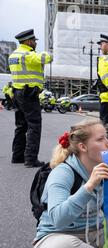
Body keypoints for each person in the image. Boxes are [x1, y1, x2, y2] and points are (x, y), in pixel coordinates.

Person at [32, 119, 108, 248]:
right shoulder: (62, 172)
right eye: (100, 139)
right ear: (83, 147)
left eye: (106, 138)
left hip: (96, 235)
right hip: (57, 238)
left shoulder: (107, 168)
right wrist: (89, 186)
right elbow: (59, 220)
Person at [9, 29, 53, 167]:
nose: (35, 44)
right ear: (28, 41)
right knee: (34, 125)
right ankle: (30, 159)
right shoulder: (27, 54)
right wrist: (47, 51)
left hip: (17, 93)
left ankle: (17, 156)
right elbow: (47, 58)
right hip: (28, 94)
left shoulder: (13, 55)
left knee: (21, 126)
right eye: (34, 41)